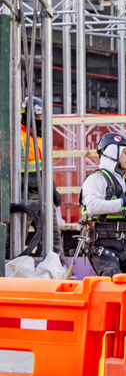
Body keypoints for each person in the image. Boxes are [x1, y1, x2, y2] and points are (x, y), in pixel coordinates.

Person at [81, 132, 126, 279]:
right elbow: (92, 206)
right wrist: (124, 202)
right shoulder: (96, 179)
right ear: (112, 152)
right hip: (103, 245)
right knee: (114, 286)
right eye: (125, 153)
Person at [18, 97, 63, 258]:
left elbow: (43, 168)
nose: (41, 121)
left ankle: (58, 272)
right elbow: (21, 172)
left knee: (53, 239)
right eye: (37, 117)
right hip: (24, 195)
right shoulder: (18, 137)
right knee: (16, 240)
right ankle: (9, 273)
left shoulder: (39, 137)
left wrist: (51, 188)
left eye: (42, 117)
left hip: (42, 193)